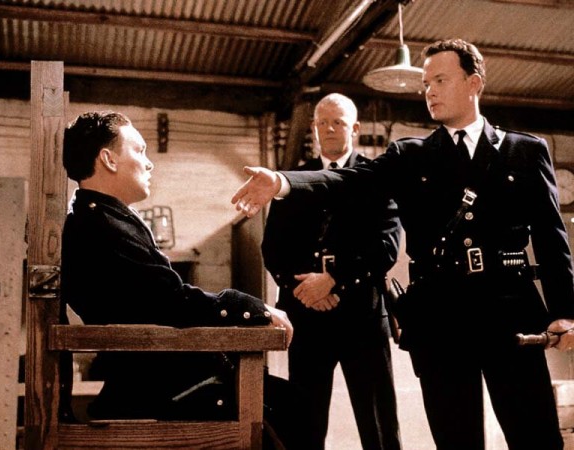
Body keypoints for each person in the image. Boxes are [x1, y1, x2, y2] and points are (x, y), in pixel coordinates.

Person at [232, 38, 574, 450]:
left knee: (535, 437)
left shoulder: (525, 151)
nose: (429, 91)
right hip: (441, 318)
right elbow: (349, 180)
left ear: (474, 83)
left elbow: (552, 237)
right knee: (456, 441)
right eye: (426, 83)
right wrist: (283, 182)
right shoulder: (411, 156)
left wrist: (565, 312)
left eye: (441, 80)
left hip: (510, 311)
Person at [61, 110, 315, 449]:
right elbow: (171, 301)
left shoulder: (101, 218)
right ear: (108, 159)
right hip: (156, 385)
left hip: (157, 374)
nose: (149, 163)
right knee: (291, 407)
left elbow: (162, 299)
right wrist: (251, 308)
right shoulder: (100, 226)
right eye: (139, 150)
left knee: (289, 403)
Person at [261, 93, 402, 450]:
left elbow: (386, 246)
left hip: (362, 317)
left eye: (337, 122)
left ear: (354, 128)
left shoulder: (377, 177)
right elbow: (273, 249)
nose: (328, 129)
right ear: (313, 128)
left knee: (379, 424)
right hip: (307, 317)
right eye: (322, 122)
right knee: (305, 426)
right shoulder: (292, 179)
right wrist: (305, 289)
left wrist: (334, 280)